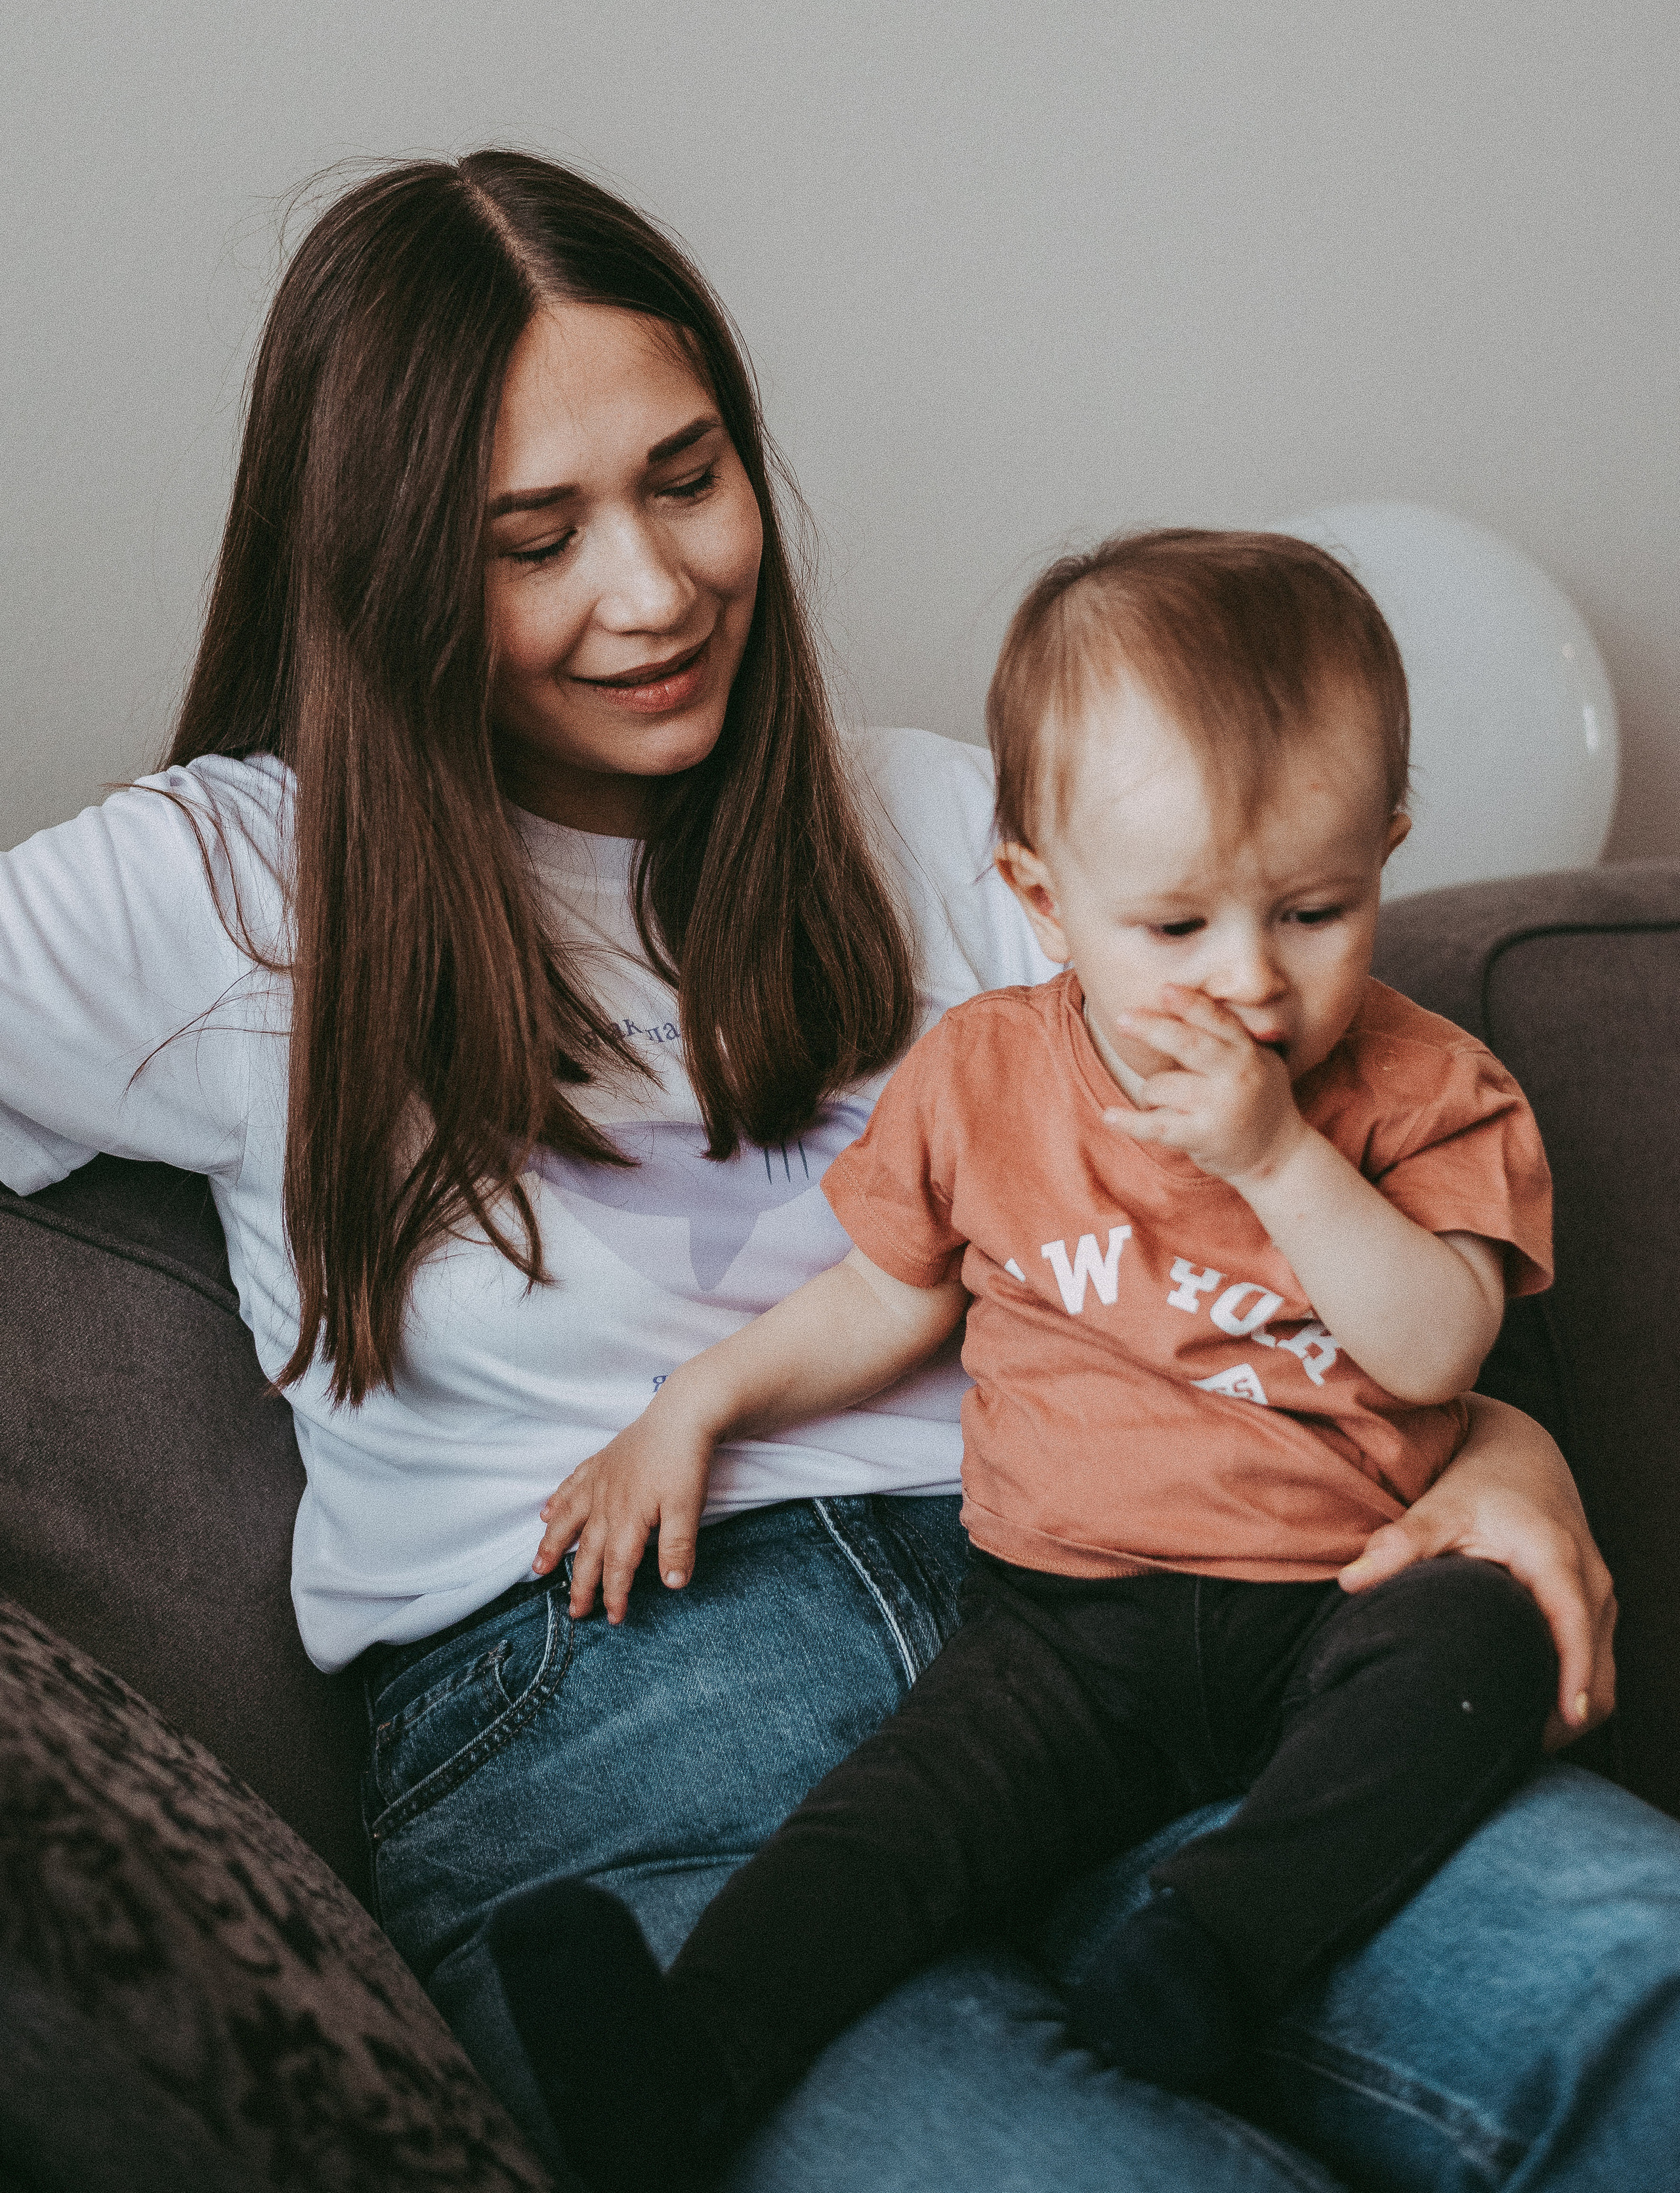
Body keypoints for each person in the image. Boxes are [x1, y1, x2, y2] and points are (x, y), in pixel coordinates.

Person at [0, 150, 1670, 2193]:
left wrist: (1506, 1447)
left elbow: (1327, 1199)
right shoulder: (224, 892)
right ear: (379, 565)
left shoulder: (980, 834)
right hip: (626, 1724)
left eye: (688, 480)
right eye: (535, 536)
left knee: (1633, 1989)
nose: (654, 587)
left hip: (1137, 1639)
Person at [491, 530, 1561, 2190]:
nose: (1248, 980)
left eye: (1312, 909)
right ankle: (678, 2066)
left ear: (1385, 859)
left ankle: (1213, 1948)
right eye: (1174, 923)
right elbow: (883, 1298)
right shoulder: (987, 1074)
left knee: (1483, 1653)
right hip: (1074, 1618)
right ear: (1041, 894)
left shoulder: (1432, 1093)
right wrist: (689, 1405)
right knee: (884, 1822)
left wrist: (1281, 1159)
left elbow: (1433, 1351)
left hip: (1341, 1602)